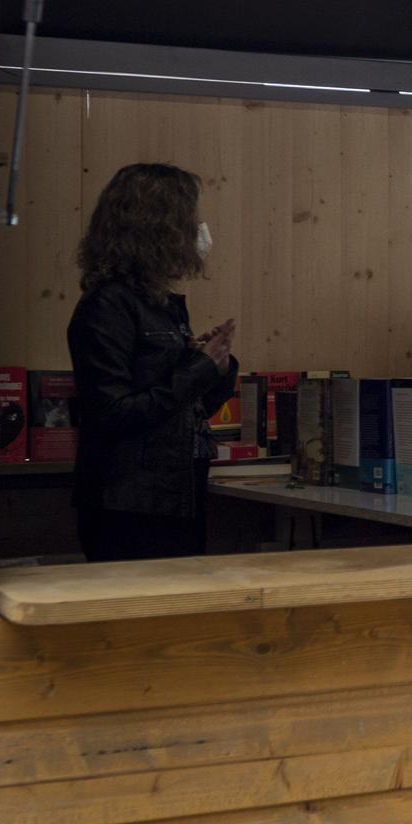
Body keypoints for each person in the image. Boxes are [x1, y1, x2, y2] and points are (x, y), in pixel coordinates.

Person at [66, 163, 239, 562]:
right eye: (189, 219)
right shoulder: (107, 305)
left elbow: (191, 410)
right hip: (131, 506)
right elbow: (112, 412)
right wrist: (197, 368)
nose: (199, 230)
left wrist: (216, 365)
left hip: (176, 494)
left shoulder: (161, 306)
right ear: (160, 228)